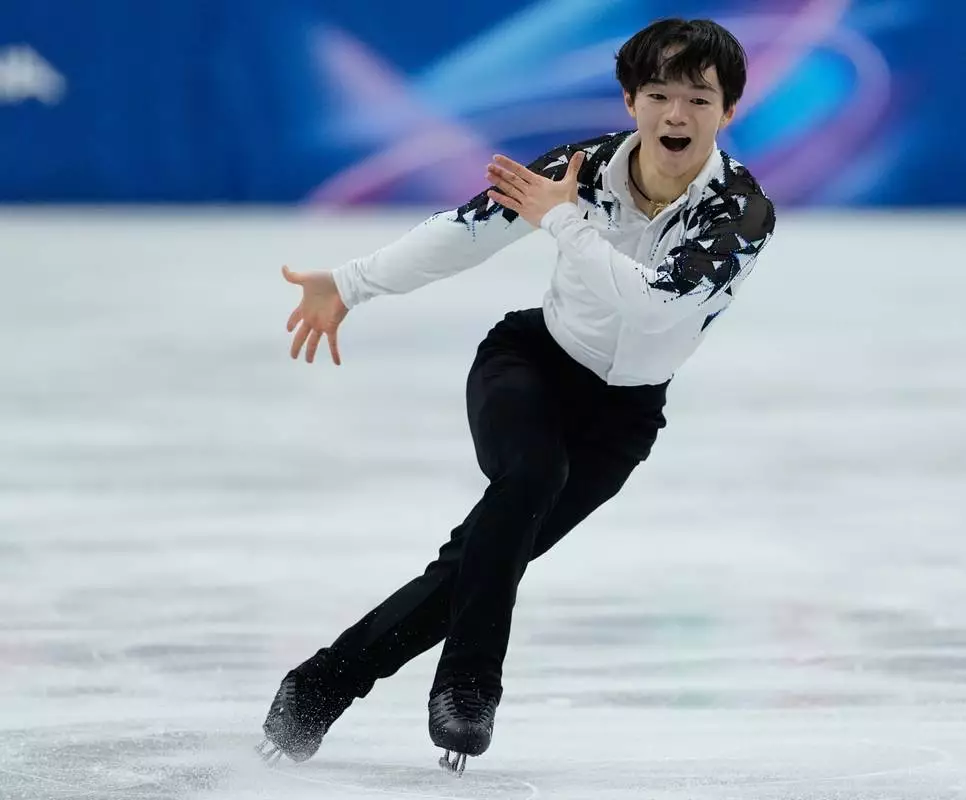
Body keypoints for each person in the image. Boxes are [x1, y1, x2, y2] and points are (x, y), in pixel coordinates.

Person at [256, 16, 776, 775]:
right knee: (530, 478)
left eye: (698, 99)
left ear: (728, 112)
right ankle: (468, 688)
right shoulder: (578, 168)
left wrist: (563, 221)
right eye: (658, 94)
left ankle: (317, 688)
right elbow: (465, 232)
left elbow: (653, 307)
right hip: (529, 364)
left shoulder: (739, 213)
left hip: (622, 417)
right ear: (630, 101)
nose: (675, 115)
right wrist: (350, 283)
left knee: (479, 562)